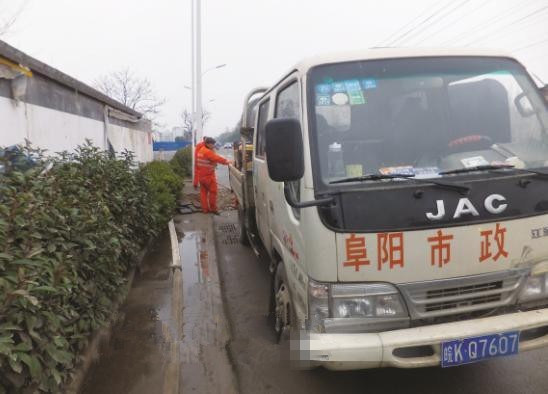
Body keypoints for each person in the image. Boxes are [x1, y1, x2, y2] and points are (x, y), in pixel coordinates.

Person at [196, 137, 231, 214]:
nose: (214, 146)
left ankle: (205, 210)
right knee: (213, 192)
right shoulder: (207, 152)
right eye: (212, 144)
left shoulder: (201, 150)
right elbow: (217, 158)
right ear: (208, 144)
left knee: (203, 193)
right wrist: (228, 162)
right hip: (208, 176)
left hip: (201, 176)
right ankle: (213, 209)